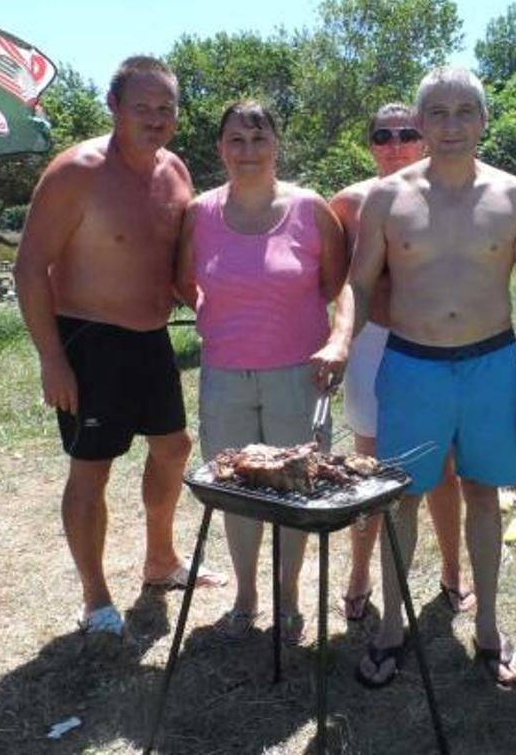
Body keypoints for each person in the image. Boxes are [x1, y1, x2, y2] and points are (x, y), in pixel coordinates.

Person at [349, 67, 516, 689]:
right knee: (400, 498)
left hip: (493, 366)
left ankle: (489, 627)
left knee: (483, 495)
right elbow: (358, 285)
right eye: (436, 113)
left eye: (464, 111)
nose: (451, 125)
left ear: (484, 121)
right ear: (420, 124)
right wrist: (337, 341)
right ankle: (391, 628)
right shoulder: (387, 198)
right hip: (412, 368)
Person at [16, 56, 223, 639]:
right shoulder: (75, 171)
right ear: (115, 107)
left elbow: (178, 265)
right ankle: (95, 596)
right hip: (90, 339)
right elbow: (30, 267)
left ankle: (160, 561)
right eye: (143, 108)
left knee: (174, 448)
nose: (156, 119)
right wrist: (51, 357)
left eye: (167, 108)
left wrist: (218, 308)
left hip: (150, 337)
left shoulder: (176, 172)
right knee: (92, 471)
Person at [176, 100, 350, 645]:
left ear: (276, 144)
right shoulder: (199, 213)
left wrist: (339, 341)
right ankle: (247, 595)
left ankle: (290, 595)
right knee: (236, 490)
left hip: (299, 375)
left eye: (258, 139)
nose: (247, 151)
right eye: (235, 140)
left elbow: (342, 286)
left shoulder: (310, 208)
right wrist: (222, 318)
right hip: (225, 375)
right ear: (220, 148)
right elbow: (184, 282)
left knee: (295, 490)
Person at [330, 103, 474, 622]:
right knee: (368, 467)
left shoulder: (453, 198)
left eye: (407, 133)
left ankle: (454, 570)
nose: (396, 144)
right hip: (373, 344)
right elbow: (336, 281)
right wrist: (337, 340)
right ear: (370, 144)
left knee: (443, 466)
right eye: (383, 134)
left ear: (426, 139)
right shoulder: (347, 204)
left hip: (435, 346)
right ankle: (359, 572)